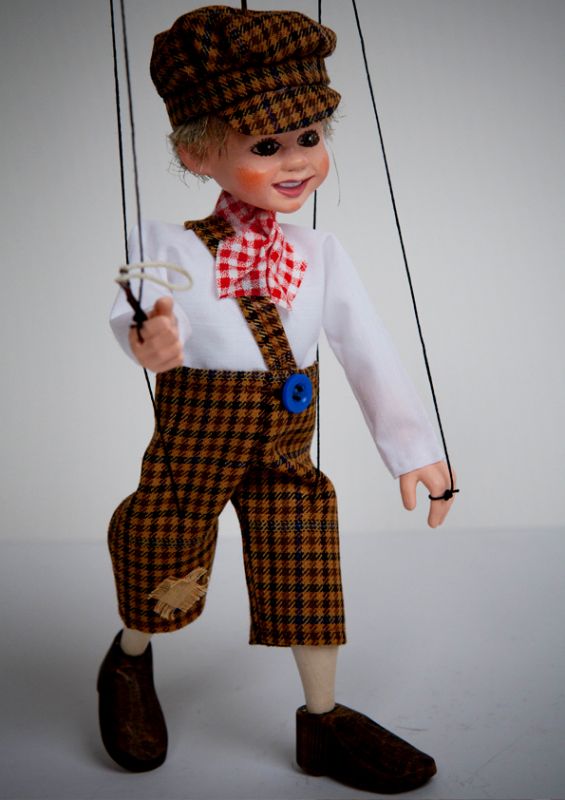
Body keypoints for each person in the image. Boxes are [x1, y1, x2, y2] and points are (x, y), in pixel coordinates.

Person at [97, 5, 456, 794]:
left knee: (306, 566)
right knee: (161, 553)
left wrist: (412, 449)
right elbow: (135, 308)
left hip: (283, 449)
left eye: (309, 137)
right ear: (198, 152)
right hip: (193, 445)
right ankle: (128, 659)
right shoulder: (167, 243)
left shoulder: (318, 252)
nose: (296, 161)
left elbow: (365, 346)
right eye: (265, 146)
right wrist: (146, 340)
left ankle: (321, 720)